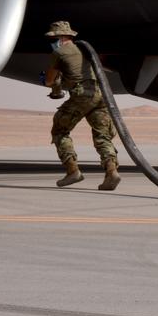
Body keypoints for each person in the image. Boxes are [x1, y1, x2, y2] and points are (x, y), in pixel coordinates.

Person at [43, 21, 120, 191]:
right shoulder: (84, 50)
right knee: (102, 135)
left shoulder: (59, 52)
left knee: (59, 131)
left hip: (81, 95)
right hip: (99, 95)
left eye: (54, 38)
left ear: (62, 37)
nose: (52, 42)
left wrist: (49, 82)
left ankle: (73, 171)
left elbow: (50, 80)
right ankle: (111, 172)